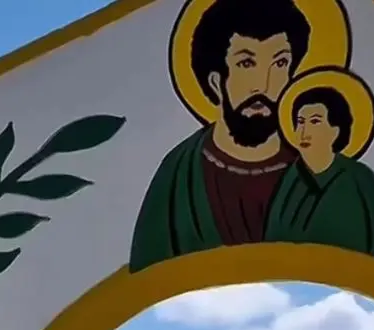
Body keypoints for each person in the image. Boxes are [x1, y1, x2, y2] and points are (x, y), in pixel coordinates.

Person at [129, 0, 312, 272]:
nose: (264, 84)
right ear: (216, 81)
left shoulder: (315, 171)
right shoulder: (179, 175)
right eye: (246, 63)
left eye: (280, 63)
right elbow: (146, 278)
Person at [266, 84, 374, 259]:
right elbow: (271, 243)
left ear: (336, 130)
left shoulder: (359, 178)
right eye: (300, 122)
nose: (304, 132)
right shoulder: (290, 178)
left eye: (315, 122)